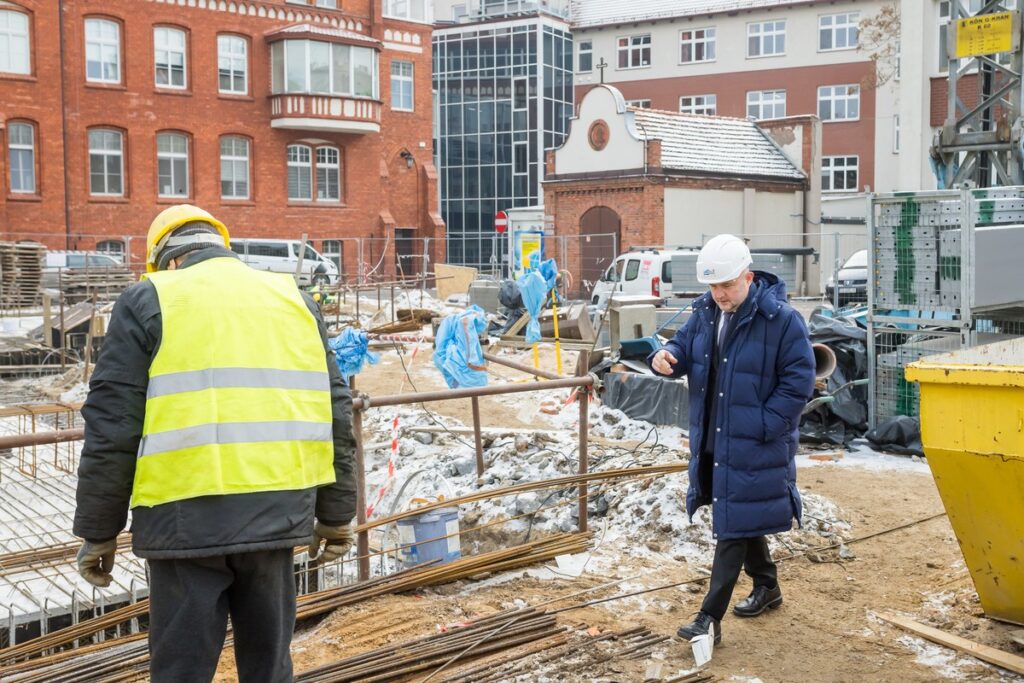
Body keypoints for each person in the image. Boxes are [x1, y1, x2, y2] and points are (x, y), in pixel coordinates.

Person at [73, 205, 357, 682]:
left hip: (183, 522)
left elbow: (112, 425)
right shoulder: (293, 299)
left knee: (181, 672)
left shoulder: (149, 299)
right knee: (269, 670)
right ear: (220, 246)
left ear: (167, 260)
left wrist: (98, 530)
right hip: (277, 513)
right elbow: (335, 409)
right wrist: (336, 515)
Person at [649, 234, 815, 645]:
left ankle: (709, 617)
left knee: (731, 528)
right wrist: (665, 357)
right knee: (740, 514)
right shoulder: (705, 312)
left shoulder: (782, 320)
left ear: (748, 276)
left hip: (755, 440)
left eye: (727, 285)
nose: (719, 294)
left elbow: (799, 383)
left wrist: (763, 426)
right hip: (714, 437)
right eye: (713, 286)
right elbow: (683, 348)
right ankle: (768, 586)